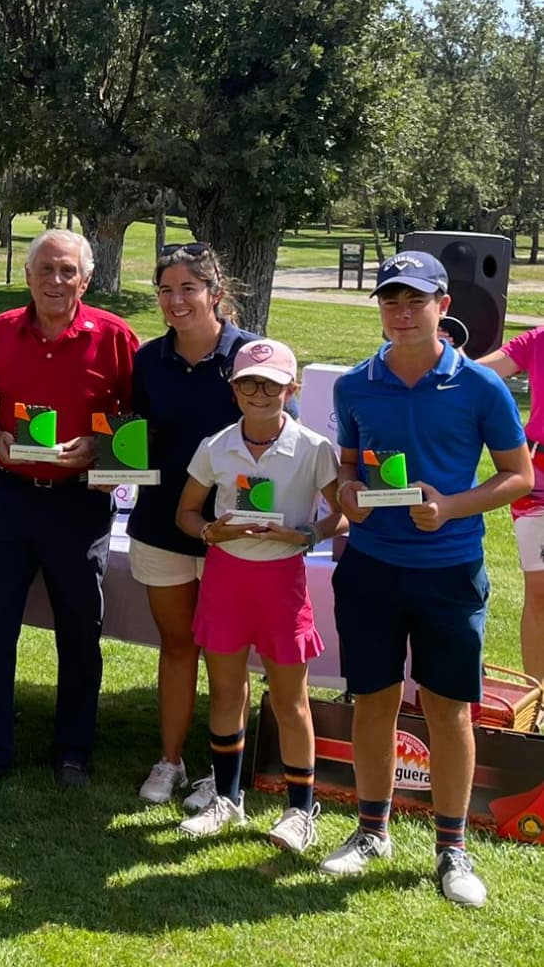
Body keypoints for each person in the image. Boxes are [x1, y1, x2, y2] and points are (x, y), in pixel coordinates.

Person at [324, 252, 530, 906]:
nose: (402, 312)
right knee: (375, 702)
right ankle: (370, 831)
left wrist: (449, 507)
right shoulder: (353, 385)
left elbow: (518, 475)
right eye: (390, 300)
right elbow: (350, 466)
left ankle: (451, 850)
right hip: (372, 568)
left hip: (449, 572)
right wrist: (349, 493)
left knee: (446, 709)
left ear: (444, 306)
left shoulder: (480, 387)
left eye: (415, 300)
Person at [0, 230, 137, 789]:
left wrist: (98, 449)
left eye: (67, 272)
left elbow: (136, 419)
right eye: (45, 270)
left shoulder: (114, 337)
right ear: (28, 274)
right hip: (8, 497)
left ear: (85, 278)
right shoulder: (1, 332)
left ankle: (74, 751)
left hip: (79, 502)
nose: (55, 281)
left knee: (80, 628)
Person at [174, 339, 343, 852]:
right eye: (248, 382)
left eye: (272, 385)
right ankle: (227, 797)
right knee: (225, 694)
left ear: (292, 389)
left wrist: (307, 536)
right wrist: (211, 533)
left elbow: (339, 515)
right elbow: (186, 514)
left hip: (281, 583)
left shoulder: (315, 448)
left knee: (290, 701)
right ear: (234, 390)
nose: (260, 392)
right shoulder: (216, 446)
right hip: (227, 578)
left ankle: (300, 811)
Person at [128, 244, 264, 808]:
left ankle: (222, 770)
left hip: (232, 532)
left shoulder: (250, 357)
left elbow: (276, 441)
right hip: (161, 523)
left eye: (189, 288)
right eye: (166, 290)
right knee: (177, 645)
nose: (176, 300)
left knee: (225, 652)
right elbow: (138, 434)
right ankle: (171, 761)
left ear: (216, 292)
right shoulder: (148, 359)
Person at [474, 325, 544, 682]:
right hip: (540, 480)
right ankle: (540, 701)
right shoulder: (539, 339)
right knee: (540, 592)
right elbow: (478, 371)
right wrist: (434, 354)